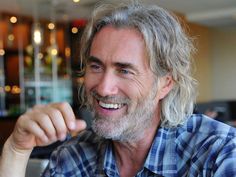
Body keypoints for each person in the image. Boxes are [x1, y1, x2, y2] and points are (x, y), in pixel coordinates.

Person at [1, 1, 236, 177]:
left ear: (165, 83)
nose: (103, 88)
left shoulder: (217, 152)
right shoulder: (73, 157)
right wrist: (16, 149)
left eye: (124, 70)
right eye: (96, 66)